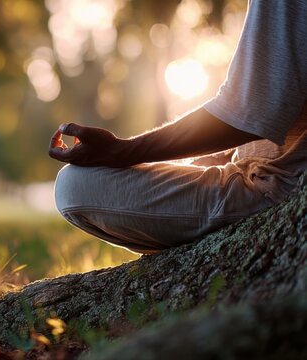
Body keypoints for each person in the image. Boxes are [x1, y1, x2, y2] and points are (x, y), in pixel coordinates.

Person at [49, 0, 307, 255]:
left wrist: (123, 151)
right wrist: (209, 158)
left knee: (74, 186)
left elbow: (255, 108)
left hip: (274, 184)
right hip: (254, 172)